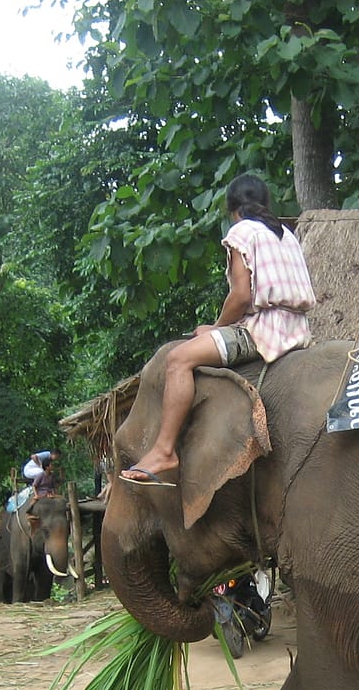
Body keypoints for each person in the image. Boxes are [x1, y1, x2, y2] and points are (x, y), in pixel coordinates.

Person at [120, 173, 316, 487]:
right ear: (264, 203)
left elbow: (240, 296)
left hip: (262, 332)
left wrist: (216, 327)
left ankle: (164, 451)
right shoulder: (285, 234)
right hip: (297, 330)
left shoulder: (242, 232)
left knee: (178, 360)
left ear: (233, 210)